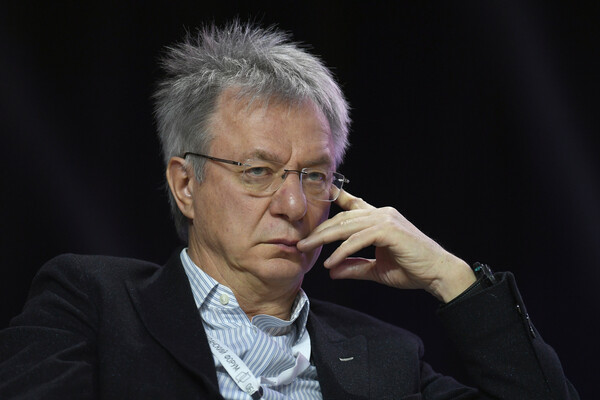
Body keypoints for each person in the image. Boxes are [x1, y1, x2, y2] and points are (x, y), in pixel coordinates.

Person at [0, 21, 579, 400]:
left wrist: (451, 278)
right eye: (258, 172)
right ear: (185, 185)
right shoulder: (94, 305)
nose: (296, 205)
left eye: (315, 176)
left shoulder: (385, 357)